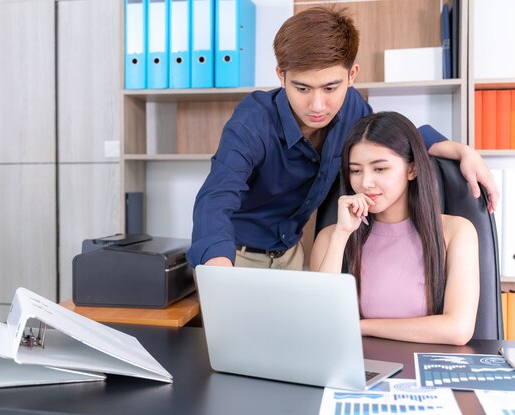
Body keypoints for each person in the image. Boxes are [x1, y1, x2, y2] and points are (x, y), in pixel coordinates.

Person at [186, 6, 498, 270]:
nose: (318, 105)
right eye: (302, 88)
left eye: (331, 87)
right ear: (281, 75)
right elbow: (216, 198)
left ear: (352, 75)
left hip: (294, 257)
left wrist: (461, 150)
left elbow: (391, 138)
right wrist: (219, 274)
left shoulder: (353, 108)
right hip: (236, 257)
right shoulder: (252, 122)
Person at [309, 111, 479, 345]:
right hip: (360, 370)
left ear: (412, 169)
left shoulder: (456, 232)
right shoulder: (331, 236)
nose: (365, 183)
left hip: (426, 370)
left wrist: (360, 326)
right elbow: (319, 320)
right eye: (356, 170)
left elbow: (458, 329)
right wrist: (341, 235)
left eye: (379, 169)